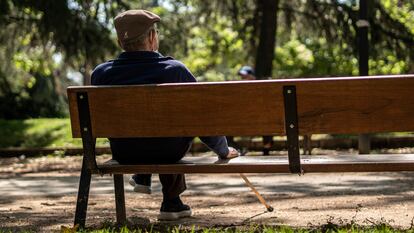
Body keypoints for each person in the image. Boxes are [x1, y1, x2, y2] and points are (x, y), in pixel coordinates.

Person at [91, 9, 239, 221]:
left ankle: (144, 177)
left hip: (125, 152)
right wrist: (223, 151)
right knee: (174, 127)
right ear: (152, 37)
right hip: (168, 151)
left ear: (119, 41)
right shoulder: (175, 71)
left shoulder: (101, 73)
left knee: (154, 128)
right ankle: (171, 203)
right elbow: (202, 121)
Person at [233, 66, 274, 156]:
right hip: (244, 120)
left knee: (267, 122)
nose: (242, 79)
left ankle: (265, 151)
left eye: (245, 76)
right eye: (242, 77)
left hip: (259, 119)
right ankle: (239, 150)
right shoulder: (241, 89)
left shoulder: (260, 87)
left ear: (252, 76)